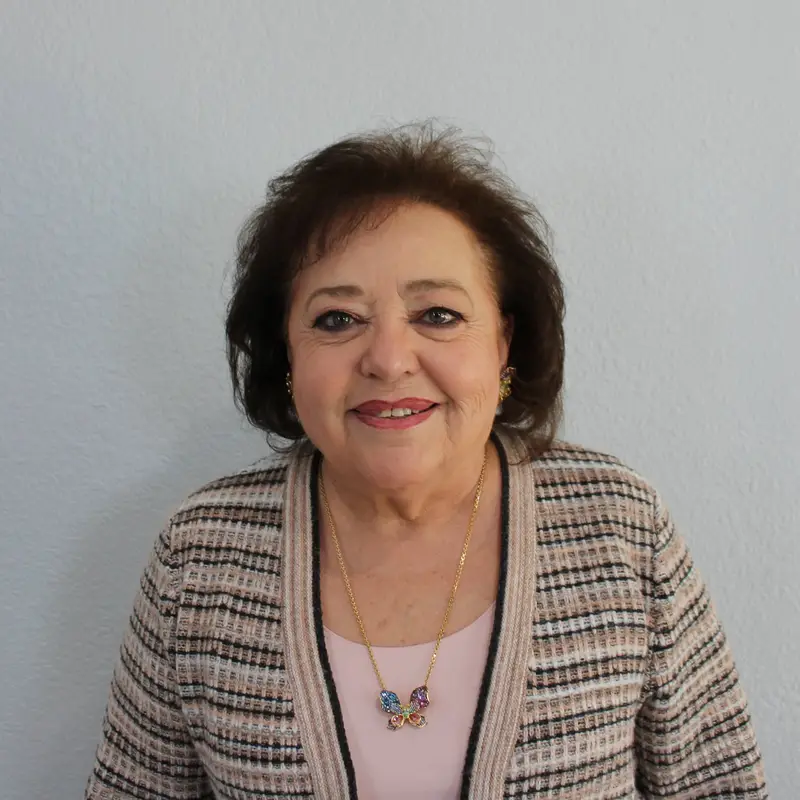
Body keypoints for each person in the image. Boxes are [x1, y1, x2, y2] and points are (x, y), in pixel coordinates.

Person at [86, 123, 767, 799]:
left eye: (437, 314)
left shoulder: (618, 525)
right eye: (336, 320)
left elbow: (721, 786)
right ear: (287, 359)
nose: (387, 359)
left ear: (503, 343)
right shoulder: (202, 554)